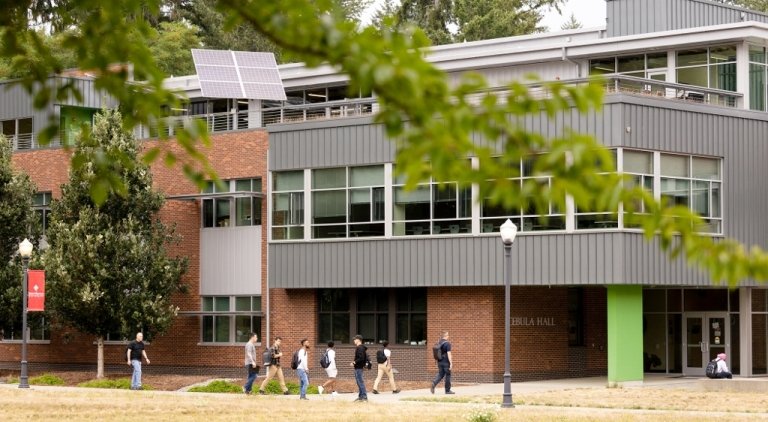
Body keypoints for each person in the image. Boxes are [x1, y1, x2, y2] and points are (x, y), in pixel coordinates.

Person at [350, 334, 368, 402]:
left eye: (355, 339)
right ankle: (361, 396)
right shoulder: (361, 347)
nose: (354, 340)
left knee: (360, 382)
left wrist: (354, 362)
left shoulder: (360, 348)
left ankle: (364, 397)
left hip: (359, 368)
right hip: (358, 367)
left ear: (358, 340)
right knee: (359, 382)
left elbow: (361, 358)